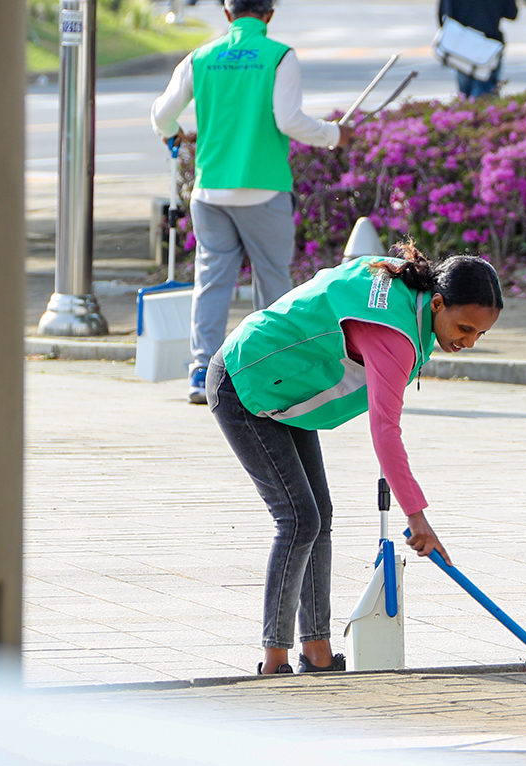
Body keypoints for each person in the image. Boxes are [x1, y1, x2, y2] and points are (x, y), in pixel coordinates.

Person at [210, 242, 503, 676]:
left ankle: (318, 652)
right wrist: (417, 516)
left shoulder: (409, 285)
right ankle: (274, 660)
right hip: (245, 383)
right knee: (298, 519)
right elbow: (385, 432)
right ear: (437, 302)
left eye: (480, 334)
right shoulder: (396, 335)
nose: (469, 342)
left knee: (318, 516)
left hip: (287, 390)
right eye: (464, 328)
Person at [152, 0, 343, 405]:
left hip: (210, 191)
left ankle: (201, 372)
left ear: (226, 14)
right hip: (264, 190)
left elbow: (162, 114)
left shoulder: (200, 57)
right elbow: (289, 121)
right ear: (269, 16)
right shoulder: (280, 56)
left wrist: (176, 134)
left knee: (211, 281)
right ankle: (269, 371)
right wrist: (334, 135)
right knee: (272, 282)